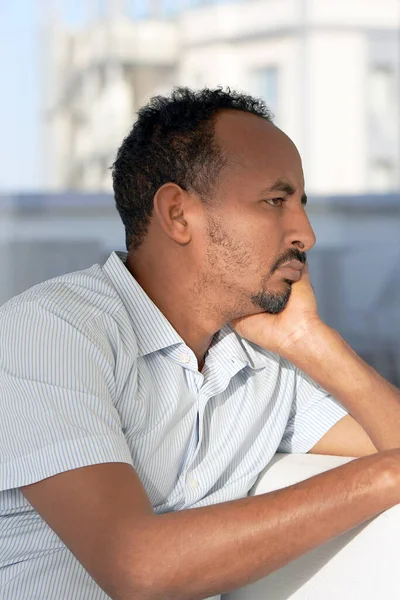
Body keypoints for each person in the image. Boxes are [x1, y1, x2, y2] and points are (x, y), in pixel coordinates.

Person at [0, 87, 399, 600]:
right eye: (276, 202)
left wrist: (312, 341)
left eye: (301, 204)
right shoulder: (51, 333)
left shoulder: (267, 364)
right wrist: (382, 477)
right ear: (178, 214)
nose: (306, 233)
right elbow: (136, 567)